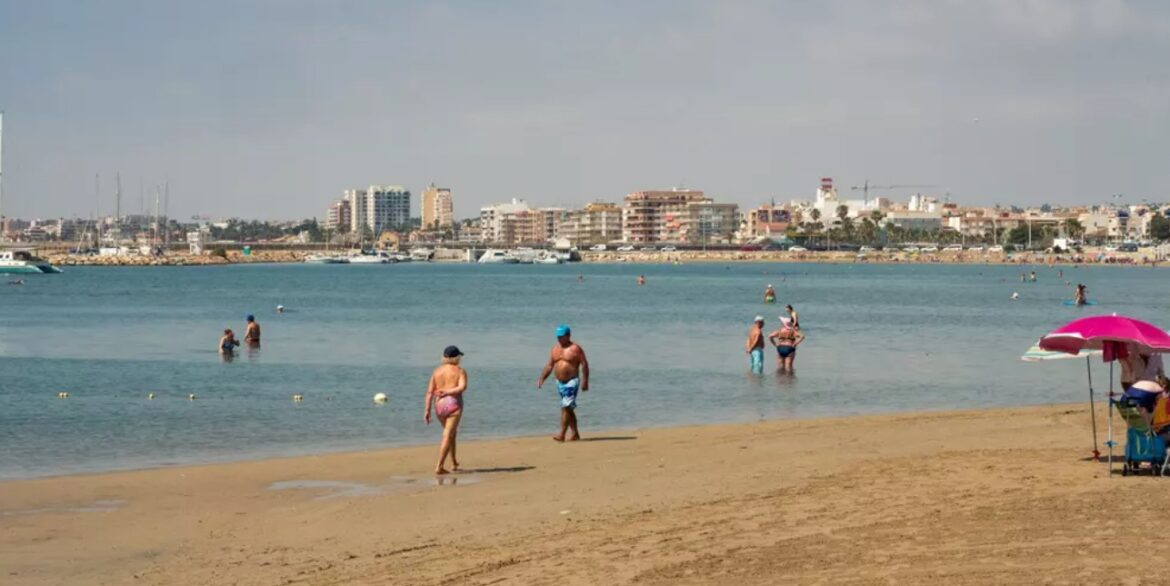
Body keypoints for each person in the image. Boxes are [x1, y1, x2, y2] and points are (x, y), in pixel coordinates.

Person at [537, 325, 590, 442]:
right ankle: (575, 433)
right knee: (567, 408)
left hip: (572, 381)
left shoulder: (575, 349)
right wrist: (542, 378)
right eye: (558, 336)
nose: (559, 339)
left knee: (566, 406)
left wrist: (585, 381)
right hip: (559, 383)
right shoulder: (555, 349)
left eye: (561, 336)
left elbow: (584, 364)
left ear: (568, 336)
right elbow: (550, 365)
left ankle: (561, 434)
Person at [424, 345, 468, 474]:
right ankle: (439, 466)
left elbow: (429, 392)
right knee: (447, 434)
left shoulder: (436, 371)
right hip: (453, 403)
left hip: (439, 405)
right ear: (456, 357)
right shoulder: (460, 371)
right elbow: (462, 387)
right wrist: (448, 391)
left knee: (451, 434)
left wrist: (427, 410)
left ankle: (454, 462)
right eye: (459, 356)